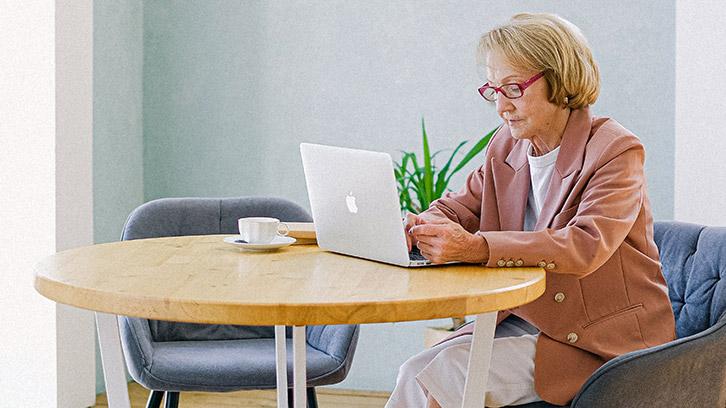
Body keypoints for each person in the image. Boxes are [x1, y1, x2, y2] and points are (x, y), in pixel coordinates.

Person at [385, 13, 676, 408]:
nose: (502, 106)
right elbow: (458, 207)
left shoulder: (615, 151)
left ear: (560, 81)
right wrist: (426, 225)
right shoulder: (506, 145)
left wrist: (477, 249)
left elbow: (584, 245)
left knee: (447, 374)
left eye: (513, 88)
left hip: (599, 340)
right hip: (526, 322)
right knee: (414, 371)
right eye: (493, 90)